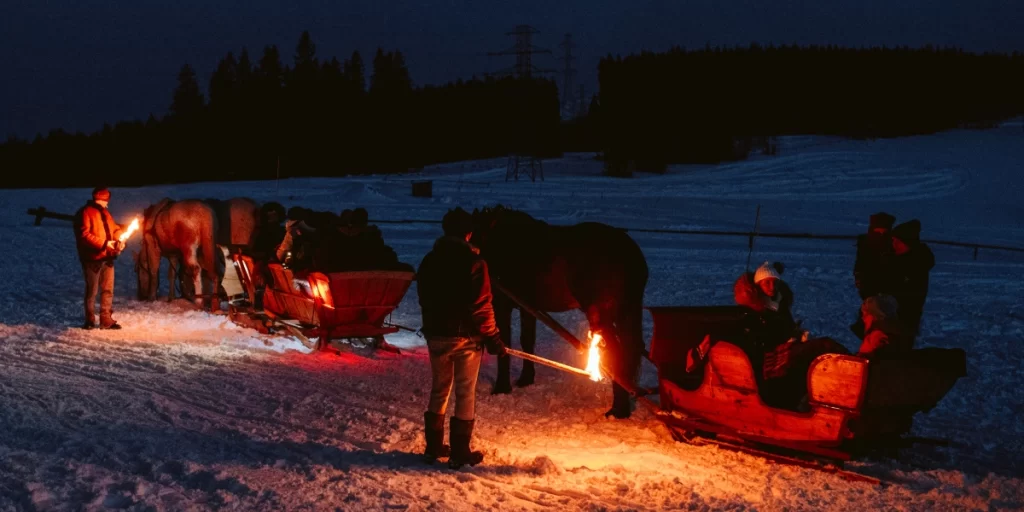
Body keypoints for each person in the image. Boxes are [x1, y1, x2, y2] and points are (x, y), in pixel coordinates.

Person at [416, 207, 505, 469]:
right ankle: (460, 452)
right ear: (468, 233)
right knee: (465, 392)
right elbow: (481, 306)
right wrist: (493, 336)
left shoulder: (429, 260)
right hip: (465, 339)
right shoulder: (475, 263)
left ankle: (433, 447)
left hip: (436, 335)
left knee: (439, 388)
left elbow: (424, 297)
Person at [73, 186, 126, 329]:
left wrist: (119, 238)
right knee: (92, 291)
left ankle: (106, 320)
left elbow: (114, 229)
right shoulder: (84, 213)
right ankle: (90, 320)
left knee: (108, 290)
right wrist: (104, 244)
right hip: (92, 259)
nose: (107, 204)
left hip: (107, 258)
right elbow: (84, 235)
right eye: (106, 201)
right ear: (101, 199)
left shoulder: (105, 213)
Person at [851, 212, 897, 338]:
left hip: (889, 290)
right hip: (871, 290)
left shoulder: (892, 244)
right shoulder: (866, 245)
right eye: (878, 232)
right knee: (872, 321)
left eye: (885, 232)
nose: (881, 235)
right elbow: (860, 266)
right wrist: (862, 285)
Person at [890, 219, 934, 341]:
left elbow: (910, 299)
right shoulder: (901, 260)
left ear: (908, 243)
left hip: (902, 323)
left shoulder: (915, 265)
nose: (894, 245)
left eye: (898, 242)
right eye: (893, 241)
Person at [856, 294, 911, 359]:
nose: (863, 318)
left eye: (866, 314)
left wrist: (864, 356)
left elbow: (873, 358)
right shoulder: (891, 335)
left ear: (875, 316)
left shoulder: (878, 336)